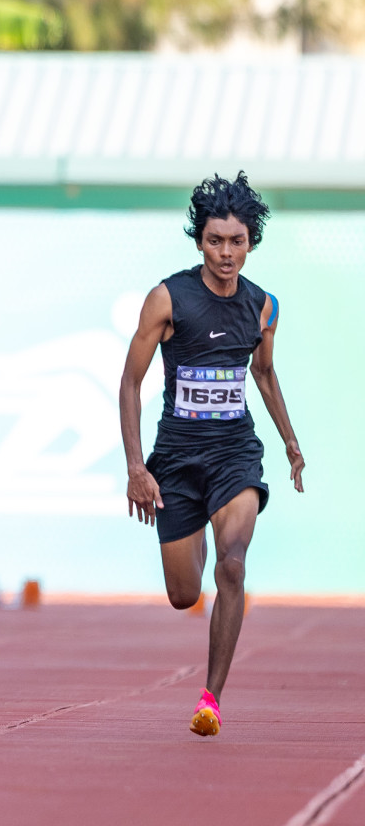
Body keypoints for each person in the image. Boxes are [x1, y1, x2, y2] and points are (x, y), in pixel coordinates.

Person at [118, 172, 304, 738]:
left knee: (234, 561)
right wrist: (136, 467)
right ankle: (190, 525)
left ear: (252, 243)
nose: (226, 253)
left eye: (237, 242)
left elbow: (265, 375)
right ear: (199, 240)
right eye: (216, 240)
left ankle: (211, 699)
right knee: (182, 595)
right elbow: (129, 384)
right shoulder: (167, 298)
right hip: (176, 457)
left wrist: (291, 444)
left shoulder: (263, 307)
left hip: (234, 455)